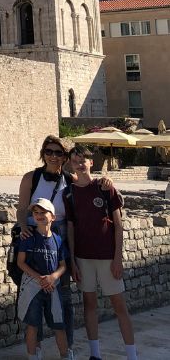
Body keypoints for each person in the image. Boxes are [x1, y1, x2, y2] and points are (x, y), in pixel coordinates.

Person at [16, 135, 114, 357]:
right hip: (32, 235)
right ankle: (36, 349)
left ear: (65, 157)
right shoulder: (31, 178)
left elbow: (88, 187)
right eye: (49, 152)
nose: (53, 156)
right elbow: (22, 208)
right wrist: (23, 227)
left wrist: (105, 182)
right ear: (43, 154)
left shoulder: (69, 179)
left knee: (63, 296)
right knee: (33, 294)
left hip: (59, 236)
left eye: (58, 153)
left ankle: (66, 348)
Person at [65, 145, 137, 360]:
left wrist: (117, 258)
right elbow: (70, 228)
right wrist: (72, 261)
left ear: (91, 162)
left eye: (83, 160)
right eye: (75, 160)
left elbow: (118, 224)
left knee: (119, 306)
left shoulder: (105, 188)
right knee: (89, 304)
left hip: (107, 256)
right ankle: (95, 354)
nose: (79, 163)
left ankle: (132, 355)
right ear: (70, 164)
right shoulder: (68, 193)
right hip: (83, 257)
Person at [17, 197, 70, 360]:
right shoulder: (28, 238)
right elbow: (21, 262)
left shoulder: (57, 239)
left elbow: (63, 265)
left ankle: (65, 355)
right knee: (33, 325)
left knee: (59, 325)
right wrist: (41, 279)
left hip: (52, 286)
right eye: (36, 213)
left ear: (53, 217)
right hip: (33, 286)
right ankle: (33, 356)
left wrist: (52, 277)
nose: (39, 216)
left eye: (43, 212)